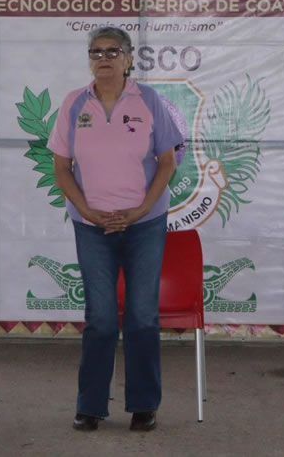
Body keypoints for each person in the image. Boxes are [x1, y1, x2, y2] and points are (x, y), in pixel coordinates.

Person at [48, 26, 183, 432]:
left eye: (112, 51)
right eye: (96, 52)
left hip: (144, 225)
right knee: (102, 318)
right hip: (92, 227)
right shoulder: (74, 103)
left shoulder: (149, 100)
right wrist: (86, 210)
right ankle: (90, 406)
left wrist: (141, 210)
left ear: (128, 59)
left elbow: (167, 163)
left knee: (141, 317)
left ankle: (144, 405)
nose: (103, 59)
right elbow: (61, 168)